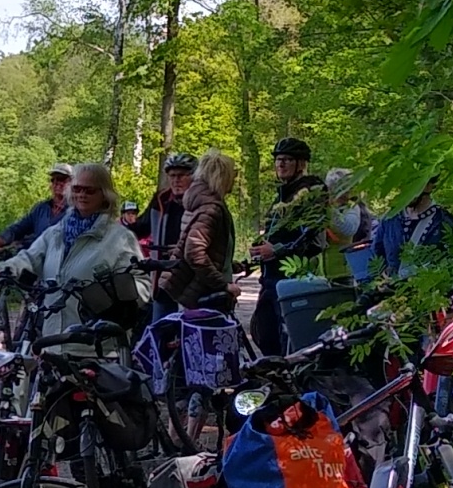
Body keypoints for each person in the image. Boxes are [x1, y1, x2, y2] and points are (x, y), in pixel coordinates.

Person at [0, 160, 142, 338]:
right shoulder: (55, 233)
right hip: (53, 341)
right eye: (77, 189)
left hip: (98, 348)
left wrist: (111, 297)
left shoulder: (120, 238)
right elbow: (30, 258)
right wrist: (2, 270)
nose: (82, 194)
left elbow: (141, 283)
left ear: (104, 195)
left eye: (89, 190)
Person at [248, 136, 328, 354]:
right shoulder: (280, 196)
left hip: (295, 278)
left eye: (287, 160)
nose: (281, 164)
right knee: (263, 333)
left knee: (290, 341)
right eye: (278, 160)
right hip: (270, 278)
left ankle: (292, 383)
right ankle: (278, 381)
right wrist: (259, 250)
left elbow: (312, 239)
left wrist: (276, 250)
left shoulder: (312, 192)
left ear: (301, 164)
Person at [155, 151, 240, 309]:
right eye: (232, 174)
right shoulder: (210, 208)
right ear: (221, 176)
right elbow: (194, 253)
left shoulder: (201, 202)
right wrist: (223, 285)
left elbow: (206, 248)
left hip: (198, 293)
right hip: (205, 297)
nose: (235, 179)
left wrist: (229, 264)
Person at [0, 165, 70, 256]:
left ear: (72, 183)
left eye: (61, 179)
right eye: (53, 180)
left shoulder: (75, 212)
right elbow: (18, 228)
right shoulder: (41, 208)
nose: (56, 183)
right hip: (34, 259)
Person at [325, 169, 375, 284]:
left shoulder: (352, 208)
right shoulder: (325, 209)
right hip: (321, 273)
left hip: (344, 272)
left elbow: (349, 229)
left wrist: (329, 210)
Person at [143, 152, 195, 257]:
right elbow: (142, 226)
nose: (176, 180)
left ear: (193, 177)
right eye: (172, 175)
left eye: (181, 175)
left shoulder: (201, 202)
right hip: (160, 267)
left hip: (189, 267)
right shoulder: (161, 200)